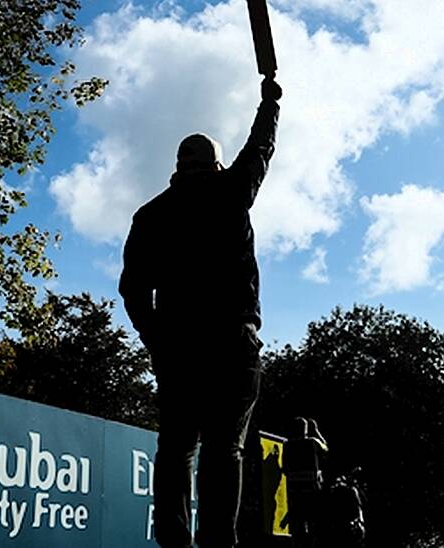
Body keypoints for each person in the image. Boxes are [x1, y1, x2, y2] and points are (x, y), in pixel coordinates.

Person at [119, 75, 282, 548]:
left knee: (175, 452)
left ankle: (173, 543)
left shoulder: (150, 216)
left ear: (176, 167)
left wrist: (157, 341)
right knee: (223, 451)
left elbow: (133, 291)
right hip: (233, 343)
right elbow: (261, 148)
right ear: (216, 163)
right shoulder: (233, 191)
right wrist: (270, 102)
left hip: (180, 349)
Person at [282, 417, 328, 548]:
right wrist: (317, 431)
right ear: (306, 430)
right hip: (312, 488)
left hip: (294, 490)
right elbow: (326, 448)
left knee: (298, 523)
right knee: (314, 521)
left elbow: (284, 468)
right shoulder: (312, 442)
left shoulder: (287, 445)